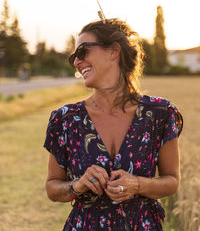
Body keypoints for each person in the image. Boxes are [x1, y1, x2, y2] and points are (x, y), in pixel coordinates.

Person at [43, 18, 183, 231]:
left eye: (82, 52)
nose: (76, 62)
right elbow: (52, 188)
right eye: (73, 57)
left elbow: (172, 181)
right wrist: (78, 185)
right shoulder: (65, 120)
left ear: (113, 51)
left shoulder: (159, 114)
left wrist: (137, 184)